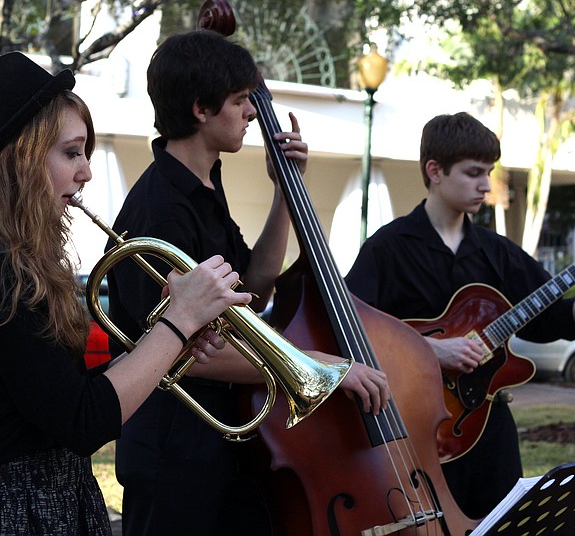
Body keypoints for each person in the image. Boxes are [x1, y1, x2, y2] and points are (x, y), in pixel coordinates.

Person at [0, 52, 250, 535]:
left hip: (45, 503)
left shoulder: (8, 259)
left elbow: (61, 399)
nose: (85, 172)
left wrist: (174, 345)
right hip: (16, 514)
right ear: (20, 159)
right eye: (71, 153)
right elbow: (83, 422)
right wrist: (178, 322)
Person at [107, 29, 391, 535]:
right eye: (240, 101)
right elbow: (185, 351)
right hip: (174, 453)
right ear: (200, 109)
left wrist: (287, 190)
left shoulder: (203, 187)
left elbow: (254, 288)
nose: (252, 112)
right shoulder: (160, 209)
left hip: (218, 445)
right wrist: (314, 364)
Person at [344, 112, 575, 520]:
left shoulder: (497, 252)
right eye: (474, 173)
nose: (485, 185)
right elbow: (351, 323)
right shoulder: (388, 247)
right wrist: (430, 350)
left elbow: (549, 321)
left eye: (489, 172)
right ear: (435, 171)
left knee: (504, 524)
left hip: (488, 427)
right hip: (415, 426)